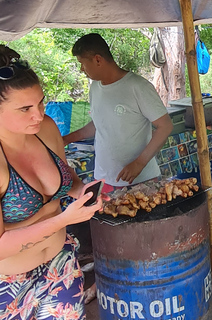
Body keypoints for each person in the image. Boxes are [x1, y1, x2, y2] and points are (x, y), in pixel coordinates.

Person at [63, 33, 173, 302]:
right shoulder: (96, 87)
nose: (82, 69)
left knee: (143, 241)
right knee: (110, 238)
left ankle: (146, 291)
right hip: (107, 178)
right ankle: (107, 281)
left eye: (83, 63)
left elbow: (165, 126)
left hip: (142, 179)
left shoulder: (137, 86)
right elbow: (97, 124)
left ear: (98, 59)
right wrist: (66, 138)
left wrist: (139, 162)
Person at [0, 45, 103, 319]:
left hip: (60, 266)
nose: (38, 114)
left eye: (40, 102)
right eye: (25, 109)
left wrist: (82, 190)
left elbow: (64, 176)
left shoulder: (45, 128)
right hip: (9, 284)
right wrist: (63, 219)